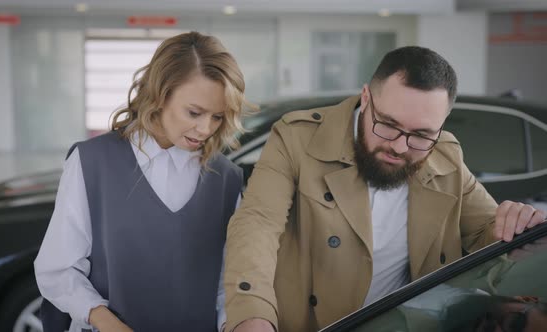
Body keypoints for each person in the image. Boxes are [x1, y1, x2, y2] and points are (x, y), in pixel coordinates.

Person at [222, 46, 547, 332]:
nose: (400, 147)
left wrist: (515, 224)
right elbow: (257, 224)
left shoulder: (445, 154)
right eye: (388, 125)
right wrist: (252, 317)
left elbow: (487, 233)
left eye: (421, 135)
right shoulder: (297, 138)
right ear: (366, 98)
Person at [34, 31, 253, 332]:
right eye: (194, 112)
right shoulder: (92, 162)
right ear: (160, 94)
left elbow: (227, 284)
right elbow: (57, 269)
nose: (205, 128)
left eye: (217, 117)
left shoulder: (226, 178)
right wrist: (106, 322)